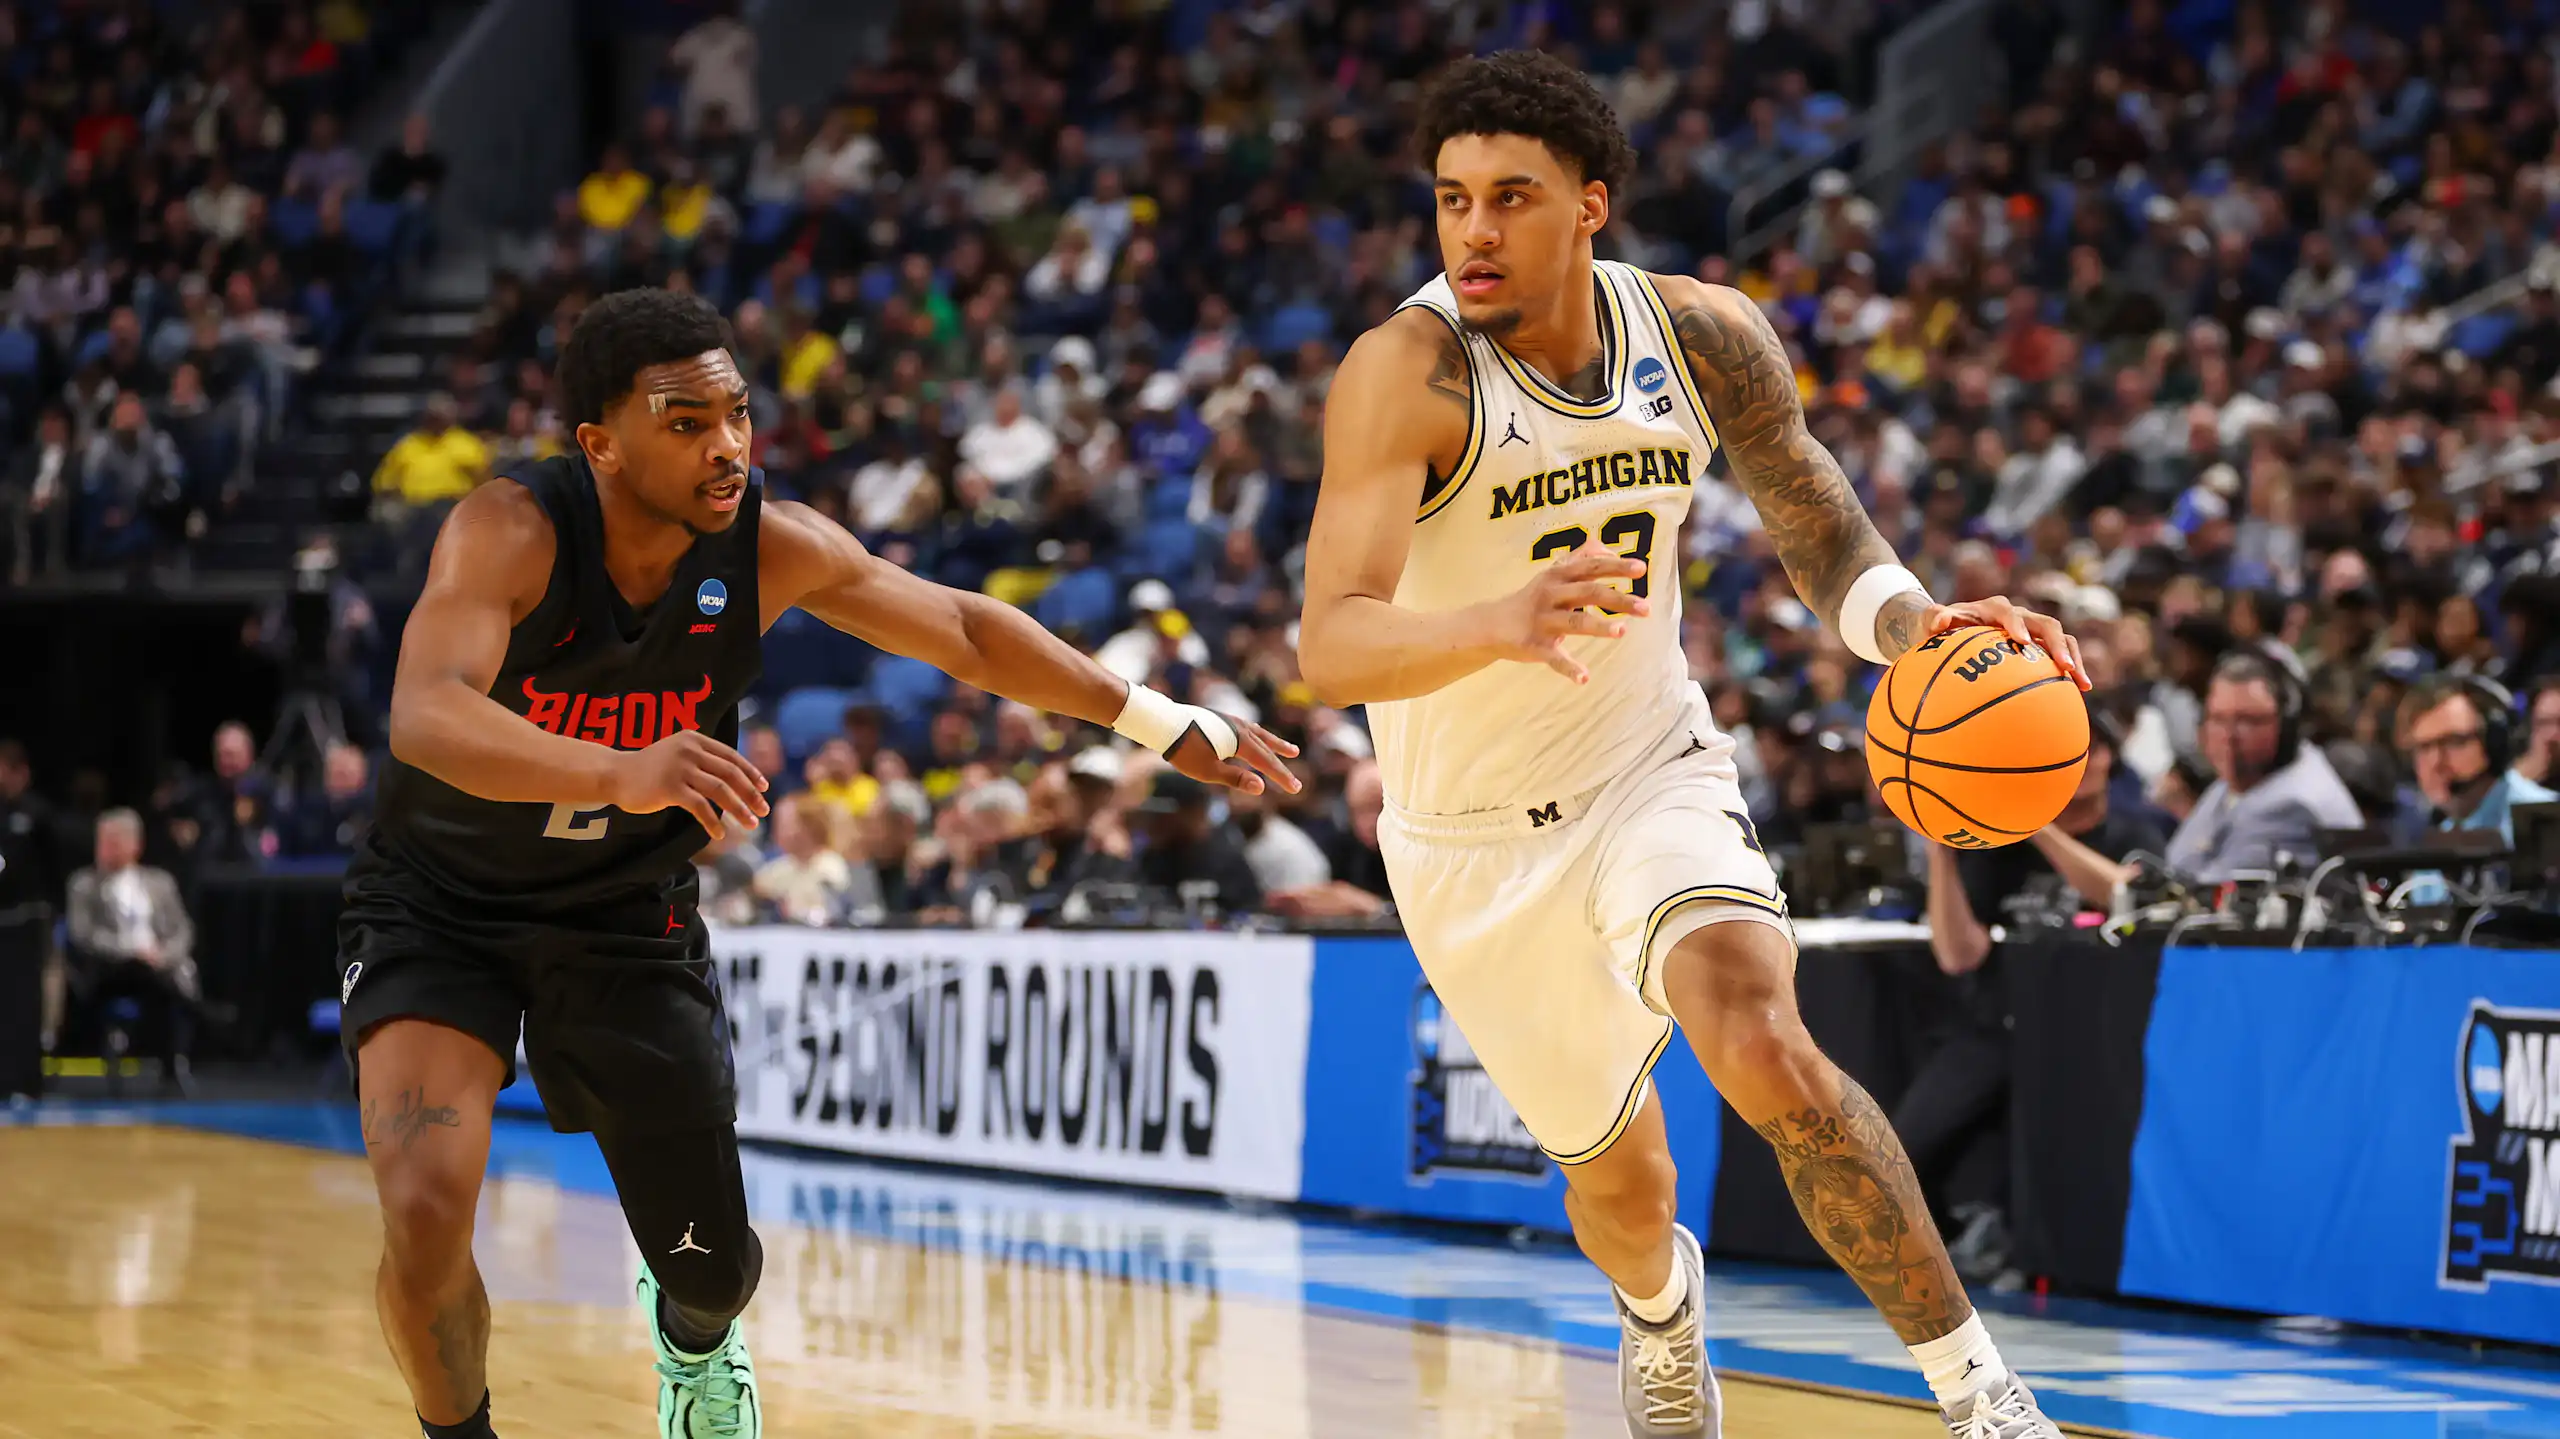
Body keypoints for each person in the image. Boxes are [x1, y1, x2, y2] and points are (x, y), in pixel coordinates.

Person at [338, 288, 1297, 1439]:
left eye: (737, 412)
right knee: (427, 1207)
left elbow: (963, 628)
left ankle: (694, 1338)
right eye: (685, 421)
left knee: (712, 1270)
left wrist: (1155, 717)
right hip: (442, 904)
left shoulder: (768, 547)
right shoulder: (512, 528)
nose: (728, 443)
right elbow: (426, 715)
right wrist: (618, 770)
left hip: (620, 910)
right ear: (599, 442)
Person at [1296, 51, 2087, 1439]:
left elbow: (1816, 521)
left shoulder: (1705, 333)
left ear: (1590, 206)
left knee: (1760, 1032)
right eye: (1451, 200)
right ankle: (1662, 1312)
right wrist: (1497, 617)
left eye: (1511, 198)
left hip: (1645, 767)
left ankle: (1982, 1393)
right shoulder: (1404, 371)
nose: (1473, 232)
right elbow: (1333, 641)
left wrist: (1916, 621)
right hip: (1465, 844)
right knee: (1623, 1189)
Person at [1915, 709, 2165, 1273]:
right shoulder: (1995, 843)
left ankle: (2021, 1247)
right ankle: (1956, 1242)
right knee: (1909, 1143)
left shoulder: (2135, 830)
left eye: (2089, 750)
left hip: (2090, 1037)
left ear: (2107, 760)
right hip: (1998, 1024)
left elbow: (2127, 897)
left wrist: (2037, 824)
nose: (2079, 764)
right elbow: (1959, 955)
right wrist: (1941, 855)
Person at [2162, 651, 2362, 881]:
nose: (2229, 735)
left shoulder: (2292, 806)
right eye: (2218, 719)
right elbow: (2176, 863)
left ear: (2287, 725)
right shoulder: (2241, 780)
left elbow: (2208, 899)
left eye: (2247, 720)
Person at [2397, 676, 2557, 844]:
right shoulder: (2440, 840)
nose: (2435, 761)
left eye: (2454, 742)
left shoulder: (2549, 820)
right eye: (2424, 747)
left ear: (2494, 742)